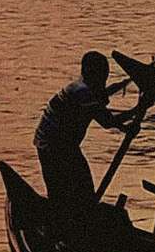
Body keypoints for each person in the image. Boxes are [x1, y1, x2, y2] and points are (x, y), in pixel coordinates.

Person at [34, 51, 142, 213]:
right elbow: (107, 121)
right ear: (91, 74)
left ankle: (73, 219)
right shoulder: (82, 92)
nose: (103, 81)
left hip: (60, 144)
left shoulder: (82, 86)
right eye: (102, 76)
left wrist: (123, 86)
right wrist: (137, 110)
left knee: (78, 190)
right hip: (53, 145)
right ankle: (68, 224)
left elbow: (102, 98)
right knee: (68, 191)